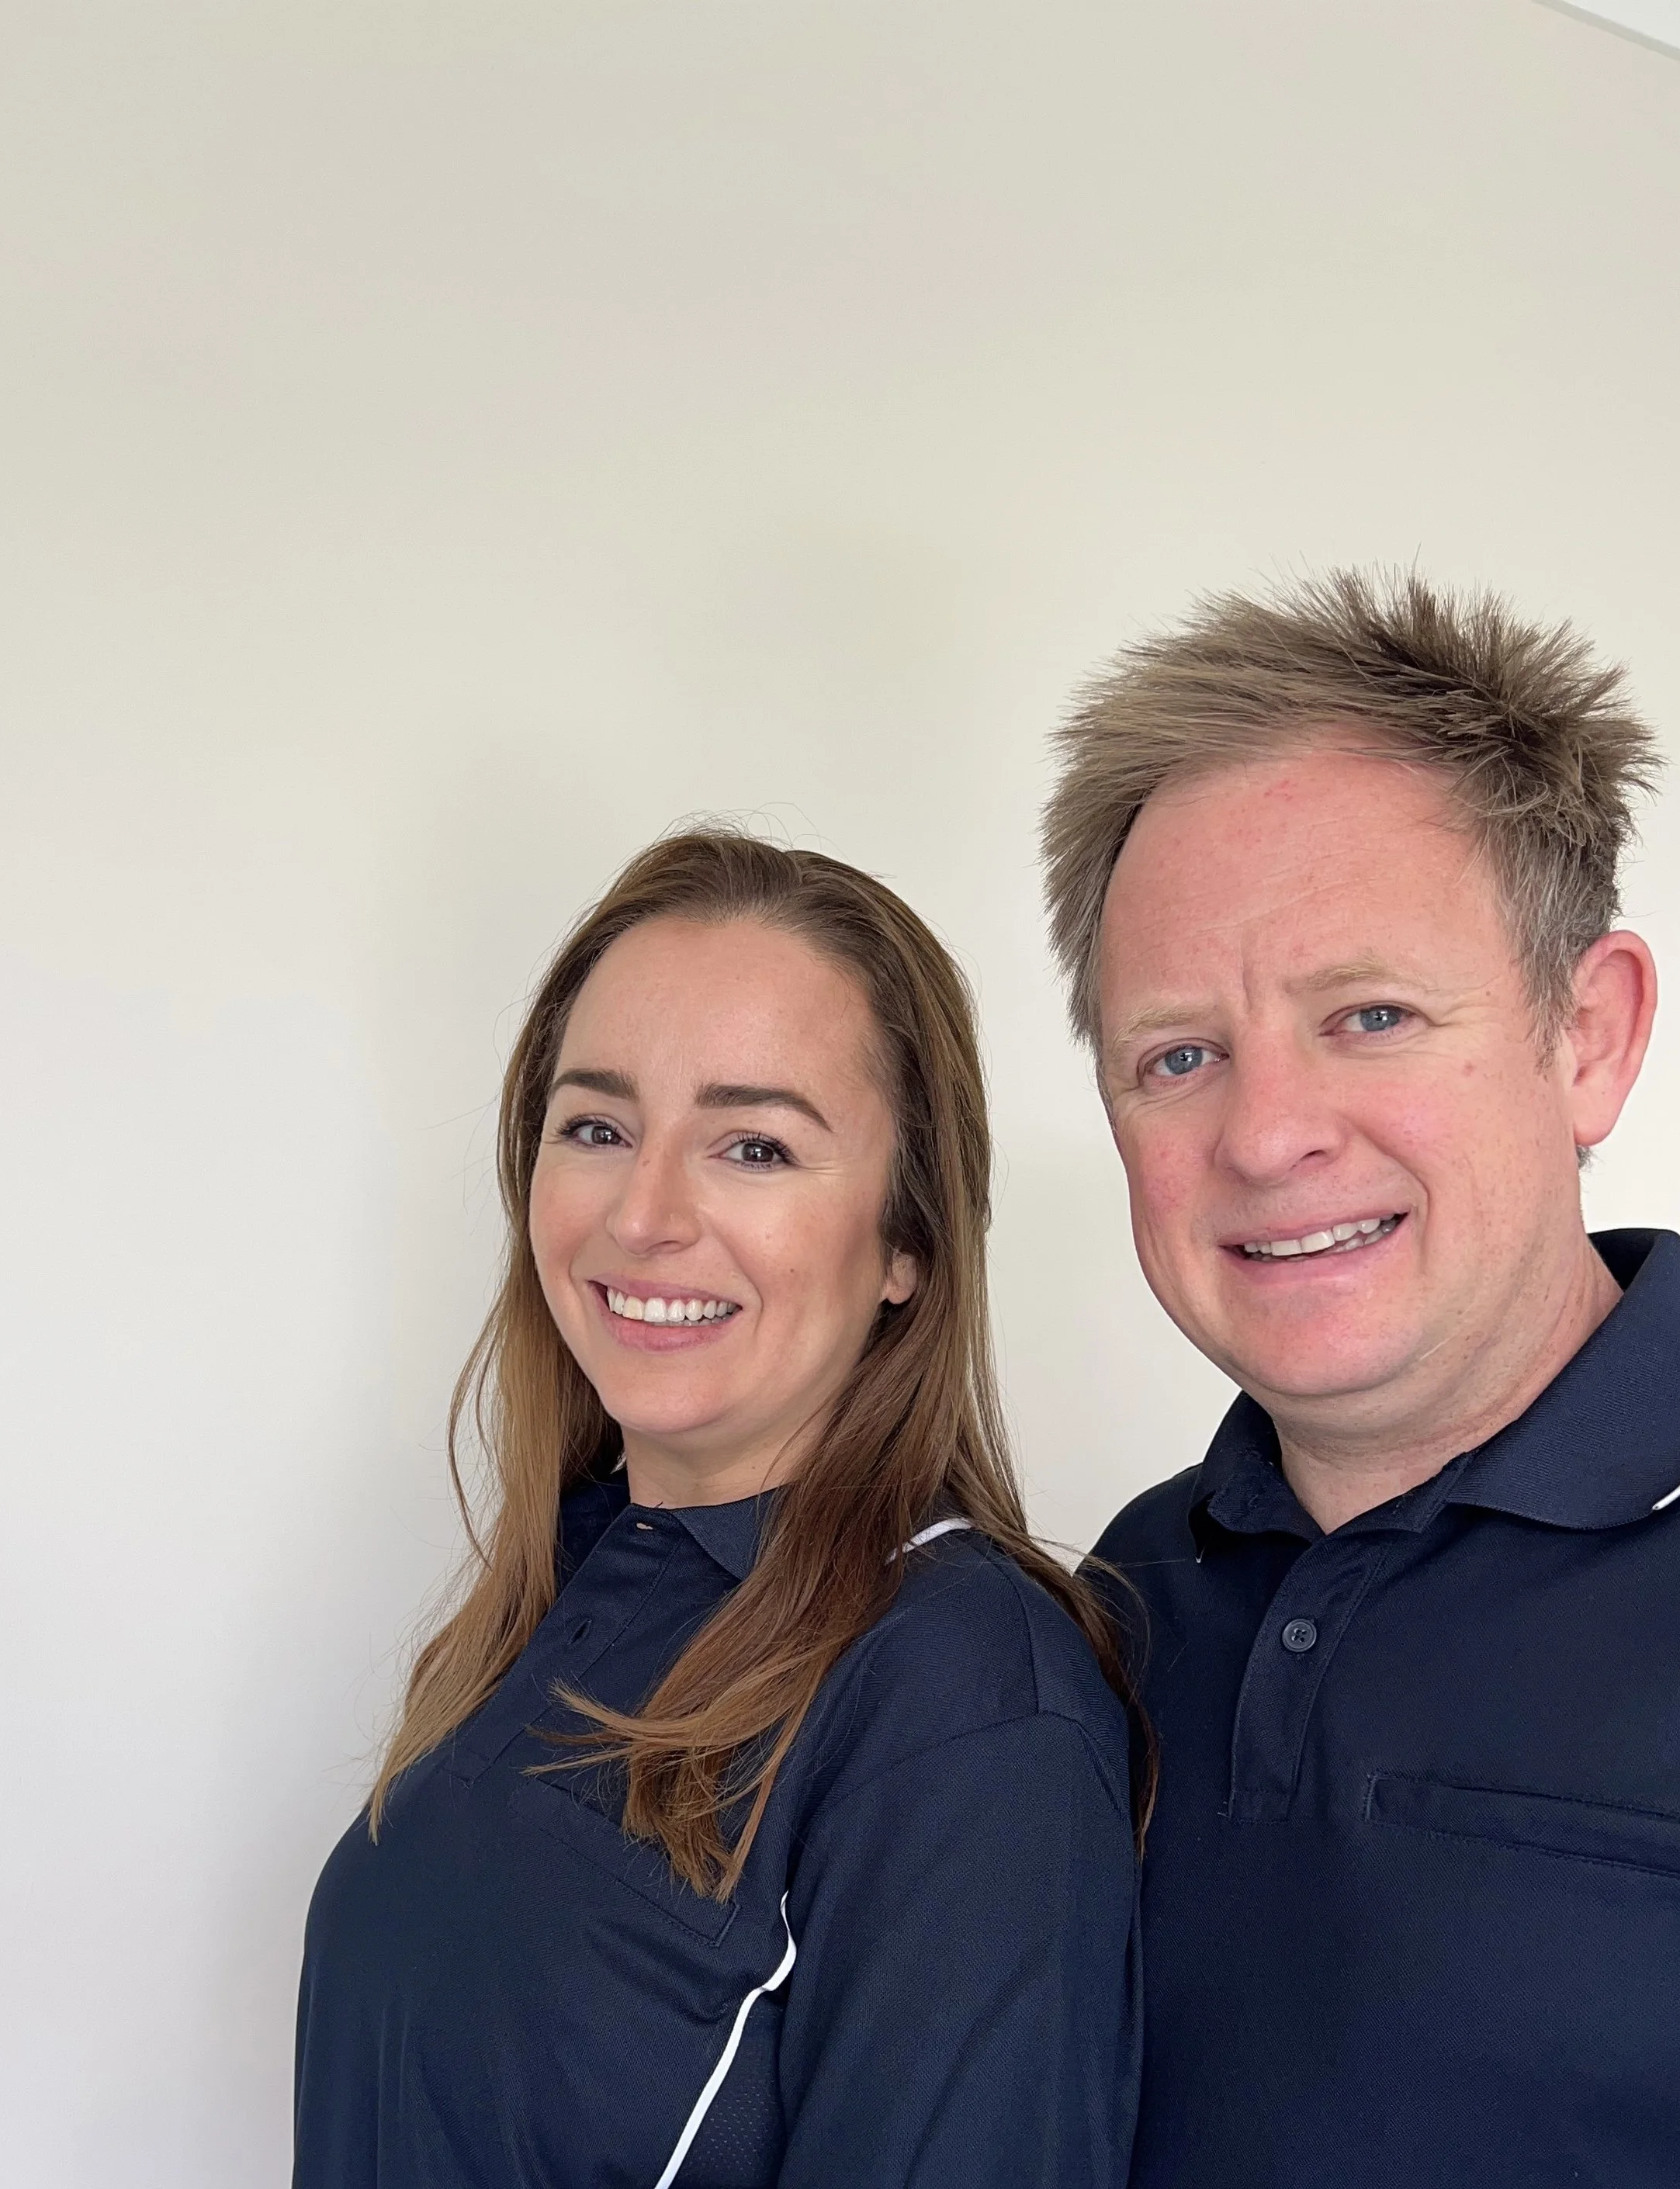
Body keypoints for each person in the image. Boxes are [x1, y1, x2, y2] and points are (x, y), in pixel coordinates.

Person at [294, 830, 1144, 2189]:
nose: (644, 1213)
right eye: (598, 1126)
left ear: (907, 1243)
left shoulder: (964, 1703)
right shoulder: (553, 1592)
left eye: (753, 1144)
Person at [1041, 570, 1680, 2189]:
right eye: (1176, 1053)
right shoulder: (1110, 1610)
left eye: (1365, 1015)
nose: (1264, 1133)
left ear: (1588, 1037)